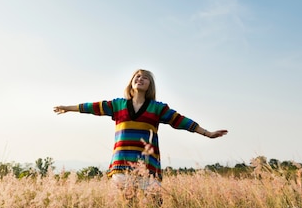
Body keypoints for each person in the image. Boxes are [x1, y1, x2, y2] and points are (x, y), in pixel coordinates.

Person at [53, 69, 228, 196]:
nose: (140, 79)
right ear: (131, 83)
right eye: (137, 76)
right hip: (121, 164)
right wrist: (68, 108)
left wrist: (208, 133)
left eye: (145, 78)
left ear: (150, 85)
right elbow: (92, 107)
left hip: (148, 166)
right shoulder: (118, 105)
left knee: (152, 207)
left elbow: (182, 121)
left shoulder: (158, 108)